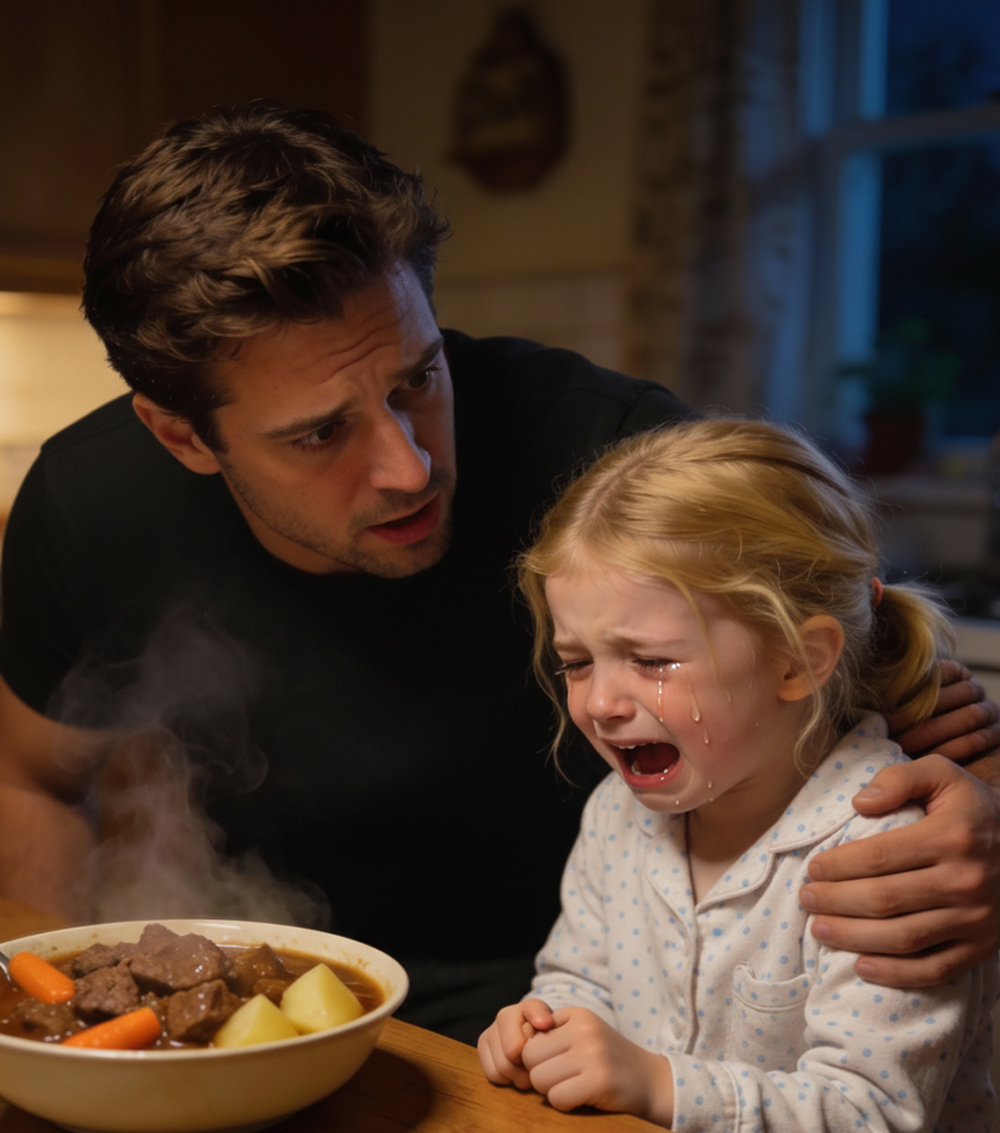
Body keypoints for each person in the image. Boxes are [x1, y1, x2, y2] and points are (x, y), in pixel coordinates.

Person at [0, 103, 996, 1045]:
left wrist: (982, 820)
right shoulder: (90, 506)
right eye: (318, 433)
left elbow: (903, 681)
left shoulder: (614, 453)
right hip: (281, 983)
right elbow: (35, 777)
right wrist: (53, 1020)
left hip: (600, 1004)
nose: (407, 466)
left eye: (416, 379)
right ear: (183, 437)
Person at [478, 420, 1000, 1133]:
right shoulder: (615, 817)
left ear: (798, 658)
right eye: (578, 662)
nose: (602, 702)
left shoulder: (891, 851)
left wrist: (659, 1087)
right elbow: (578, 975)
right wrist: (544, 1025)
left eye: (652, 661)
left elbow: (871, 1132)